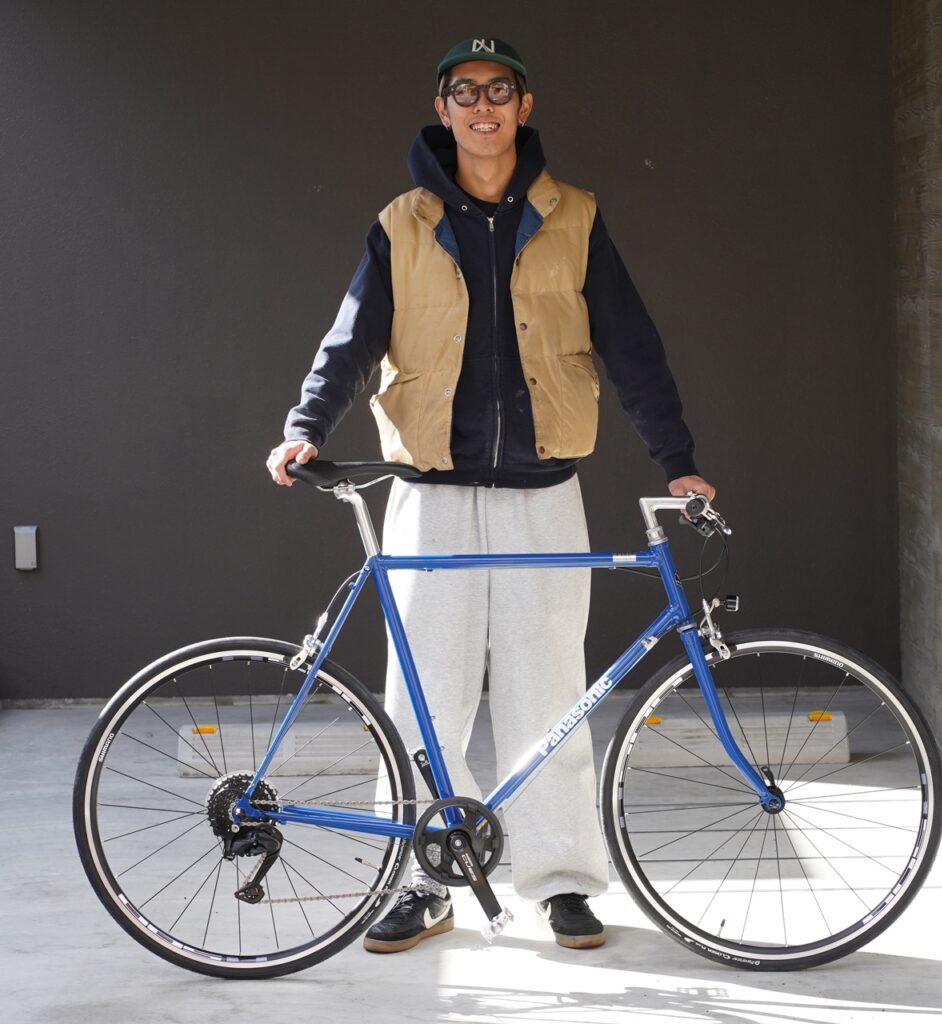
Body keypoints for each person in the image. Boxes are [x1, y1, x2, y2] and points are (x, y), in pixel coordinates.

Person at [266, 38, 715, 953]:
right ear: (443, 109)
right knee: (419, 698)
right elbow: (353, 337)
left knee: (549, 694)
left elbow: (630, 343)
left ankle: (561, 881)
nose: (482, 107)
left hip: (541, 490)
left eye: (498, 91)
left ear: (523, 105)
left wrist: (676, 458)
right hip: (430, 492)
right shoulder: (402, 223)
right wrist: (307, 422)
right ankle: (420, 880)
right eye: (464, 92)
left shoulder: (574, 216)